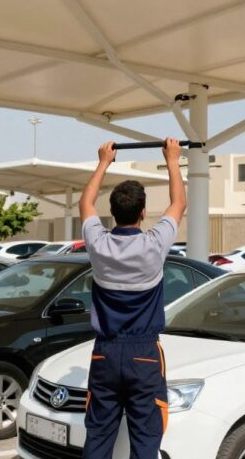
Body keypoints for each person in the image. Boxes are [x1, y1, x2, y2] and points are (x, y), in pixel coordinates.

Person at [79, 138, 187, 459]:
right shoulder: (154, 245)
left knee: (98, 437)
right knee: (145, 440)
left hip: (105, 355)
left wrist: (103, 163)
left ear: (110, 214)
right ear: (143, 213)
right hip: (144, 356)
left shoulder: (98, 244)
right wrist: (172, 159)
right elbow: (179, 203)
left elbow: (85, 204)